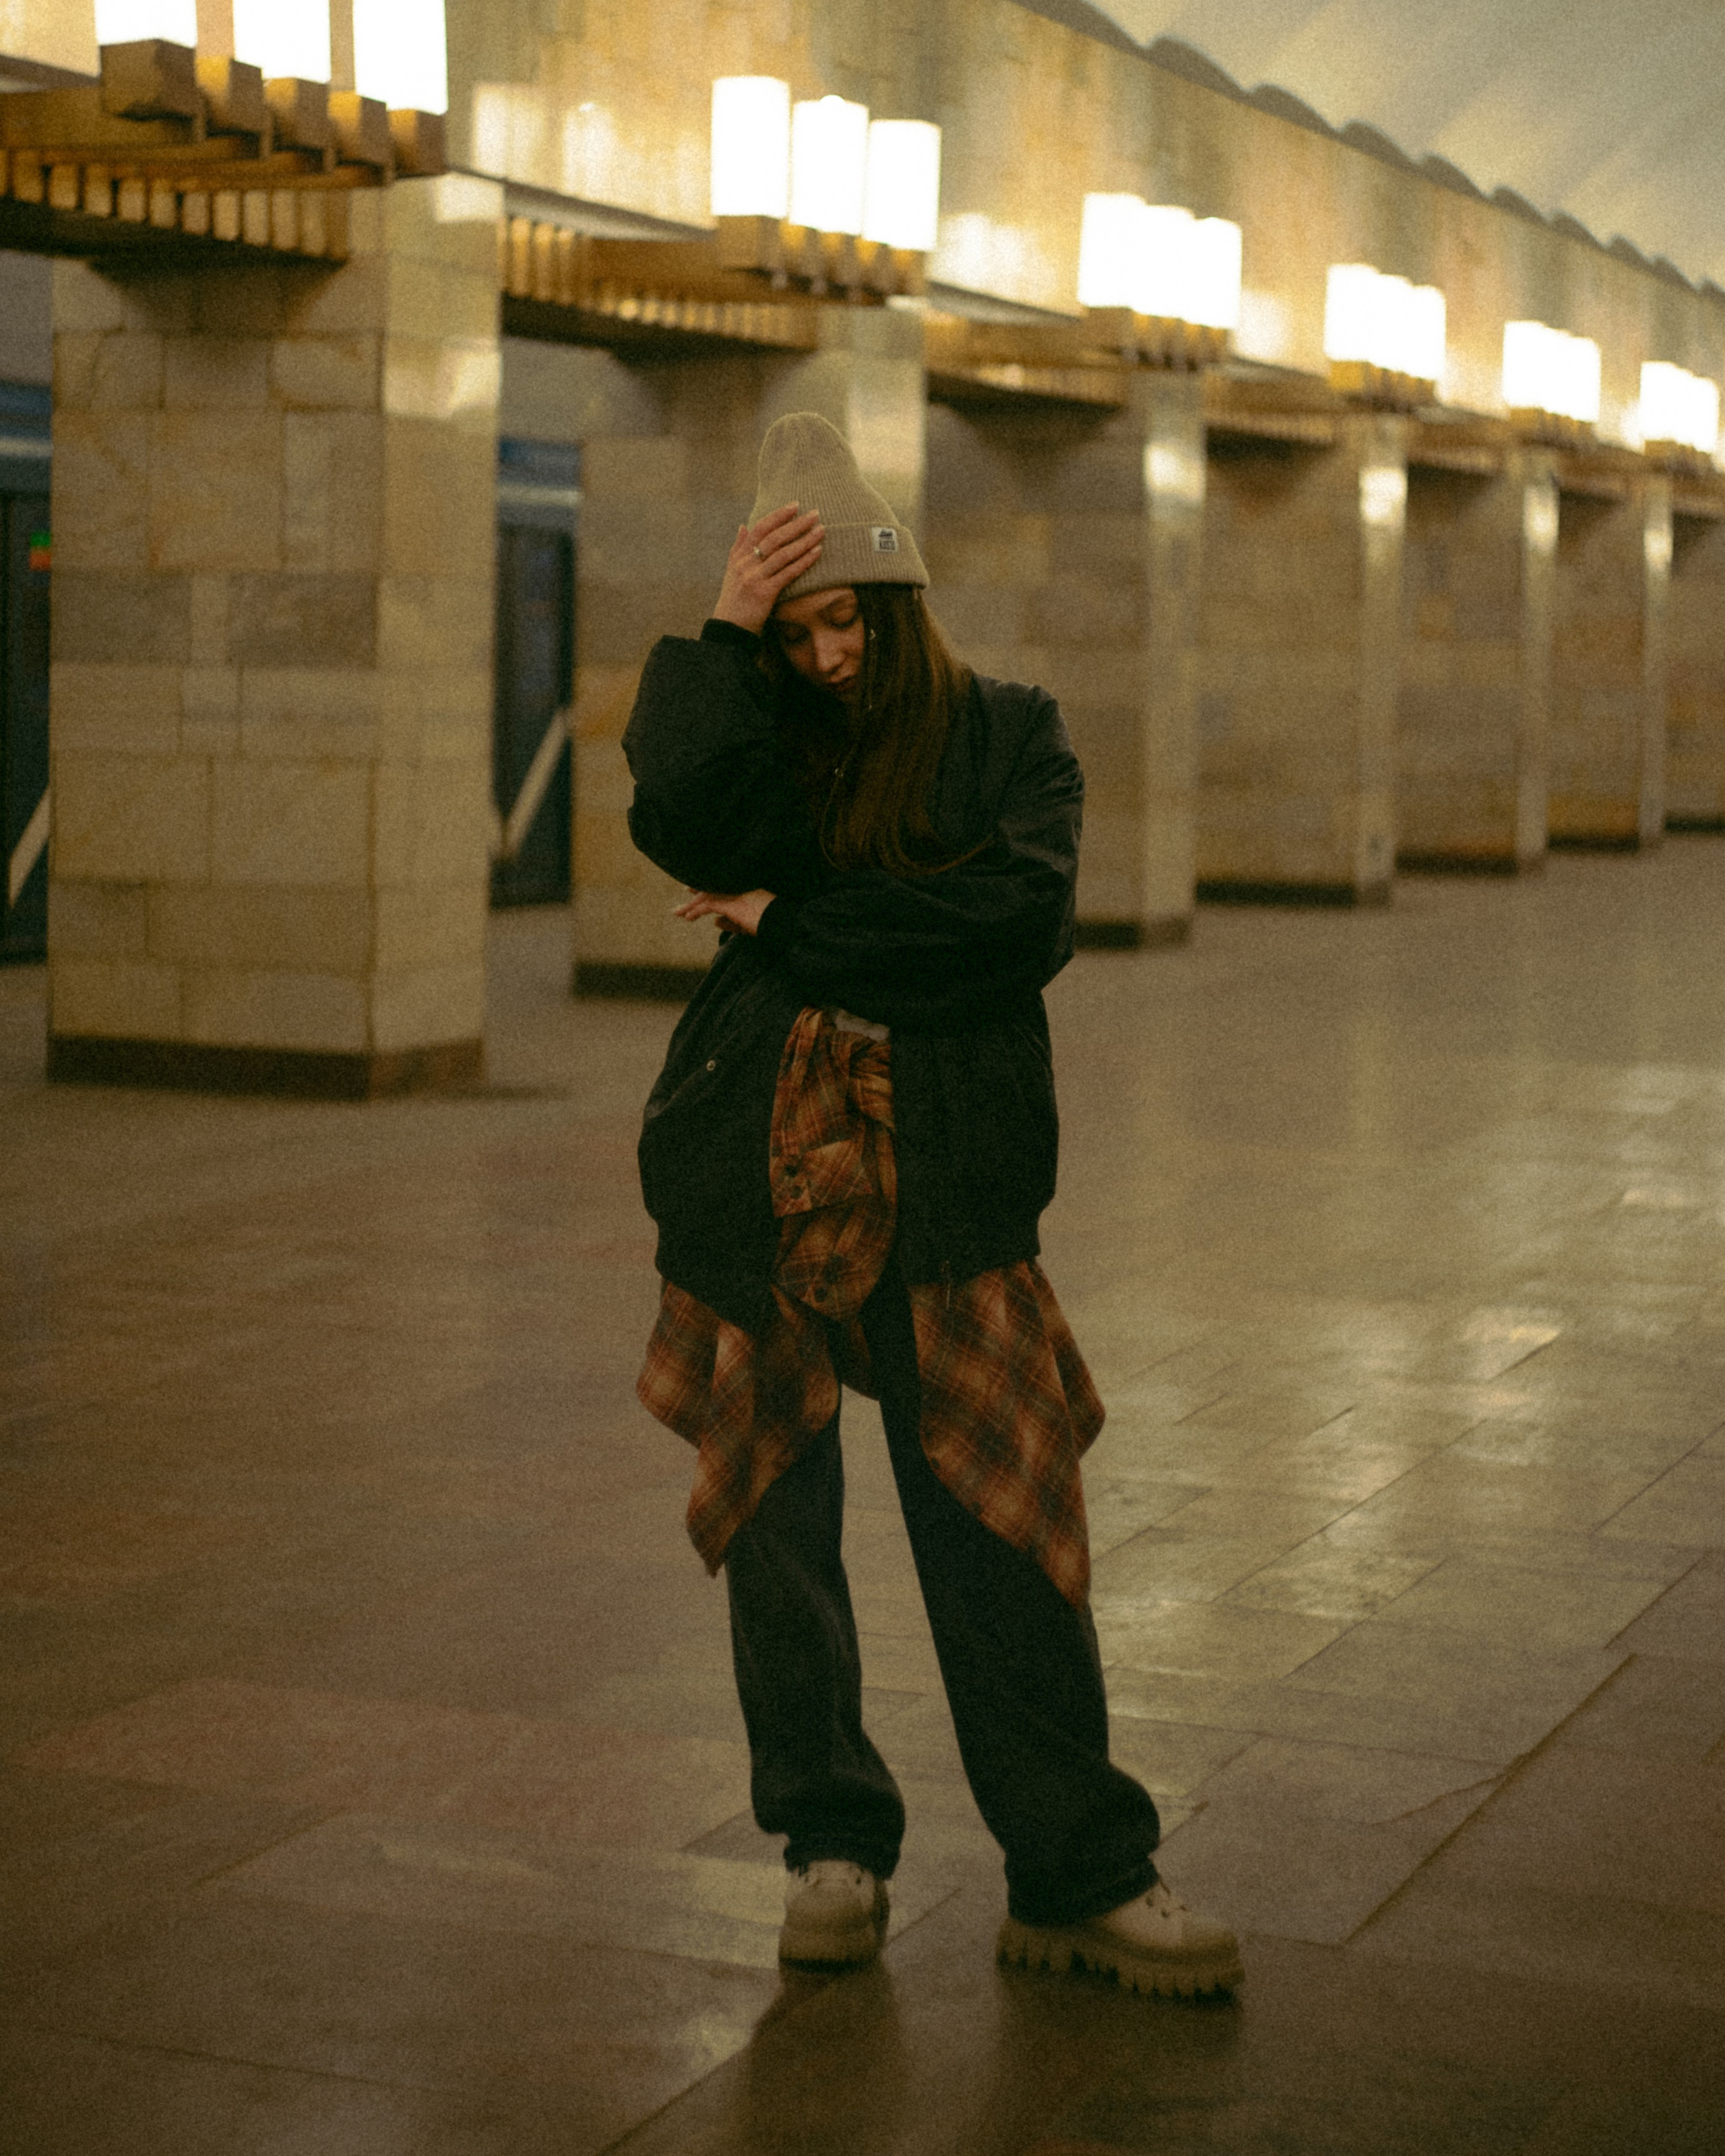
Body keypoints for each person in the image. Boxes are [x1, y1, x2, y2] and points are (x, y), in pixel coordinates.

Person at [623, 411, 1240, 2000]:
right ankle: (829, 1843)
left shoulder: (1009, 734)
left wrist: (787, 921)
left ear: (899, 609)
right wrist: (721, 628)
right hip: (757, 1187)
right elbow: (677, 813)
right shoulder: (761, 731)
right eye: (801, 626)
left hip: (946, 1193)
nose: (829, 656)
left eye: (849, 621)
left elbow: (1008, 921)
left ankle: (1078, 1871)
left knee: (997, 1525)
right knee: (780, 1537)